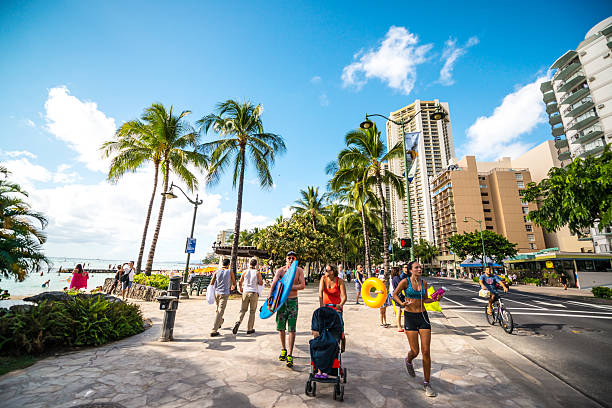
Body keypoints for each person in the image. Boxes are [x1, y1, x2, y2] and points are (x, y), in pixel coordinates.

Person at [392, 261, 441, 398]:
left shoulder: (424, 283)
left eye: (420, 267)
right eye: (417, 267)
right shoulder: (405, 282)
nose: (420, 269)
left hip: (423, 317)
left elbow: (425, 300)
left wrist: (436, 298)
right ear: (410, 270)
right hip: (410, 317)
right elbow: (394, 294)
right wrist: (402, 303)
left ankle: (427, 383)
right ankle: (408, 360)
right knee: (415, 351)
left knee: (426, 351)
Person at [272, 250, 305, 368]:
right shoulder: (281, 271)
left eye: (293, 258)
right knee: (281, 328)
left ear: (295, 260)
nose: (290, 260)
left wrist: (289, 287)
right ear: (286, 259)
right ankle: (283, 349)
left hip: (292, 302)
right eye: (289, 258)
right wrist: (270, 301)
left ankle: (290, 354)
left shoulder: (299, 270)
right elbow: (274, 284)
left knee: (292, 328)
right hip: (281, 303)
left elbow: (302, 285)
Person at [318, 264, 347, 352]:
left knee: (339, 327)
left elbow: (344, 297)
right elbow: (320, 293)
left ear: (333, 272)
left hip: (336, 308)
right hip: (326, 307)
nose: (325, 272)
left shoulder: (340, 281)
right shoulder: (323, 279)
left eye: (327, 270)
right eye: (325, 270)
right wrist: (321, 304)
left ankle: (342, 339)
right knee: (322, 327)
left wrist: (340, 305)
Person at [233, 257, 263, 335]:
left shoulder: (244, 272)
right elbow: (261, 283)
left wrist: (241, 288)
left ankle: (238, 322)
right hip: (253, 293)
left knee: (243, 310)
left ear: (249, 264)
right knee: (252, 311)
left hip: (245, 292)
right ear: (256, 264)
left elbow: (240, 282)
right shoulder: (257, 273)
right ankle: (249, 329)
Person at [210, 259, 236, 337]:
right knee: (220, 311)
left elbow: (211, 282)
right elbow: (234, 282)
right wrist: (232, 286)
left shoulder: (216, 271)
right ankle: (214, 330)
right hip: (224, 293)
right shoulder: (230, 271)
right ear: (228, 264)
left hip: (217, 293)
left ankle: (220, 321)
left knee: (218, 309)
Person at [390, 266, 404, 333]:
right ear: (397, 271)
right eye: (399, 270)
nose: (400, 271)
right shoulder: (397, 278)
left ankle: (399, 326)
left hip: (396, 295)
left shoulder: (393, 278)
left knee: (399, 311)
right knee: (400, 311)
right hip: (399, 296)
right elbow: (402, 285)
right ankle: (399, 326)